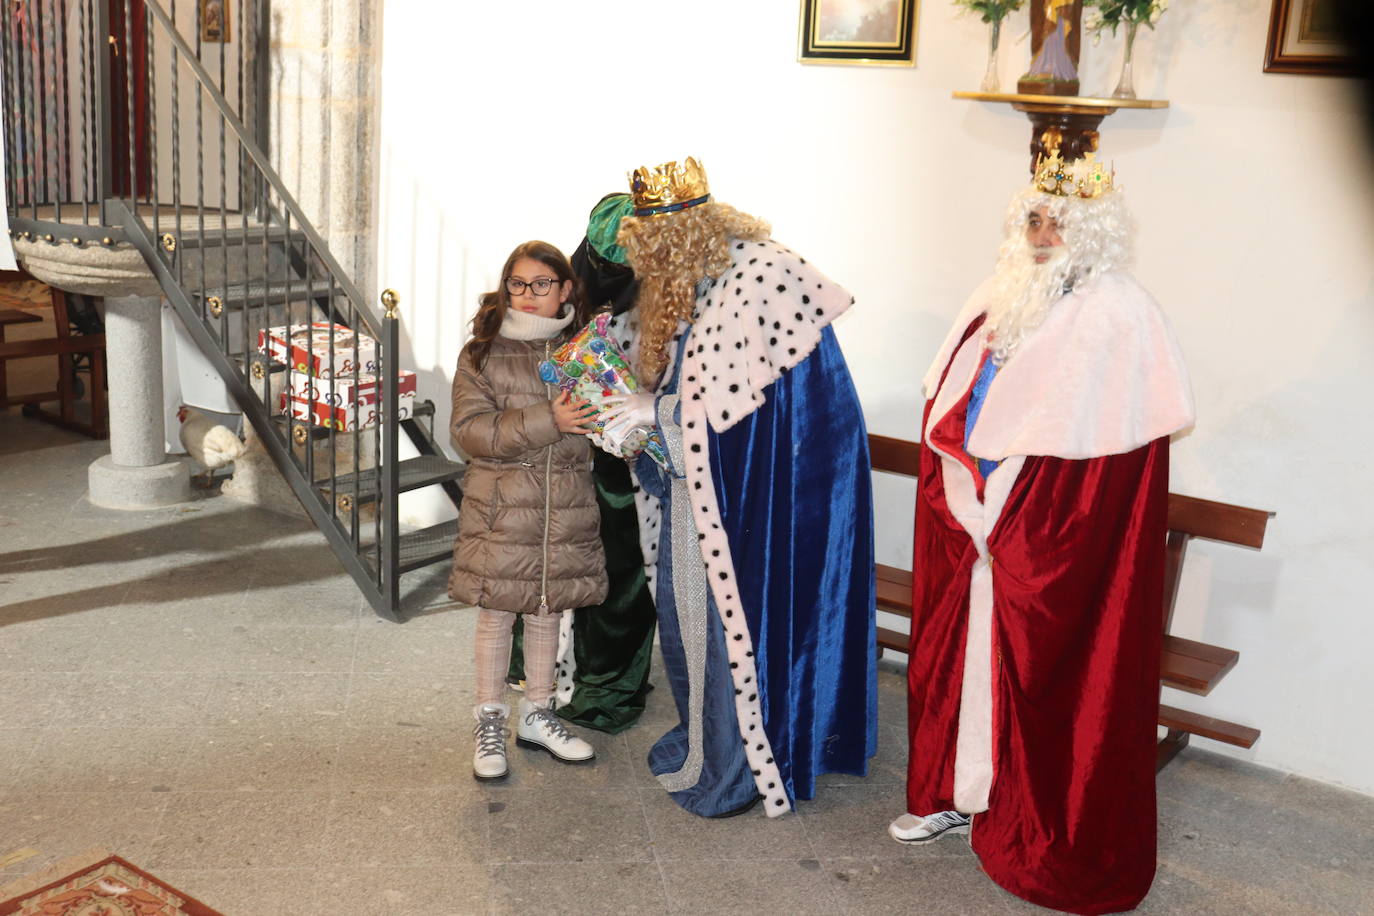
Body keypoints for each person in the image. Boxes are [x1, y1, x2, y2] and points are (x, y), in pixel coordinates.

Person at [889, 150, 1194, 914]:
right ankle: (952, 794)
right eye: (1033, 217)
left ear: (1092, 230)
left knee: (1044, 676)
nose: (1044, 231)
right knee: (953, 658)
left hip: (1048, 539)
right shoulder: (1000, 293)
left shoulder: (1122, 314)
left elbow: (1107, 465)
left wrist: (1030, 516)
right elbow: (954, 396)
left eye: (1060, 220)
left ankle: (1033, 821)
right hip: (973, 518)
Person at [601, 157, 877, 817]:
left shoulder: (761, 276)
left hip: (765, 498)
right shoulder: (685, 282)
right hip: (702, 491)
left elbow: (750, 419)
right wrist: (629, 405)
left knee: (739, 628)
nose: (651, 260)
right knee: (688, 618)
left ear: (693, 229)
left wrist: (657, 415)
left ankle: (744, 759)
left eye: (658, 244)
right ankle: (709, 739)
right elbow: (691, 385)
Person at [448, 240, 608, 780]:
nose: (529, 295)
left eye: (542, 284)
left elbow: (603, 429)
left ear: (565, 289)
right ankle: (489, 719)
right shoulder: (481, 353)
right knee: (496, 613)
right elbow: (470, 433)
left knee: (547, 609)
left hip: (563, 508)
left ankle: (538, 713)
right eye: (518, 283)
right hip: (501, 509)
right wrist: (549, 420)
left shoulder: (586, 352)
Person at [506, 194, 659, 734]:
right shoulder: (564, 307)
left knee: (616, 578)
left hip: (623, 472)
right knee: (551, 566)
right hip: (562, 464)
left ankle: (606, 683)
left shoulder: (655, 310)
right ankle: (543, 674)